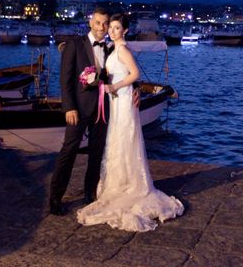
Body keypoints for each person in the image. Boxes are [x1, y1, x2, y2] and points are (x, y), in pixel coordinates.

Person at [77, 13, 184, 231]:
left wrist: (116, 87)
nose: (112, 31)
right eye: (111, 27)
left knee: (125, 138)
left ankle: (130, 185)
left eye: (117, 28)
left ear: (125, 30)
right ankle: (120, 181)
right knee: (117, 140)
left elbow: (134, 74)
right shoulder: (112, 48)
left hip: (122, 99)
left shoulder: (123, 49)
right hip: (115, 100)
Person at [49, 8, 138, 216]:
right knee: (68, 152)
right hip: (78, 109)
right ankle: (55, 198)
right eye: (98, 23)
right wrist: (69, 107)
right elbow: (65, 79)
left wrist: (138, 88)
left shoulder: (110, 48)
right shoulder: (75, 45)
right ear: (91, 22)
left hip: (104, 110)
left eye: (105, 24)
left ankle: (90, 194)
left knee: (96, 153)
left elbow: (125, 70)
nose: (101, 28)